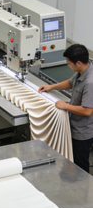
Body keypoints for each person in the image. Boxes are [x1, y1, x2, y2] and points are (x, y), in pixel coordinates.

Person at [39, 44, 93, 173]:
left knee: (80, 164)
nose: (68, 66)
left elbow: (87, 111)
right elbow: (70, 82)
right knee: (73, 160)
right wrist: (51, 87)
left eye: (69, 63)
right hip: (74, 125)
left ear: (78, 63)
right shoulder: (83, 71)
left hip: (82, 132)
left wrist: (65, 106)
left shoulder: (90, 82)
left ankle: (82, 183)